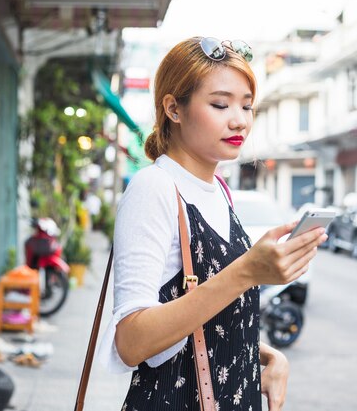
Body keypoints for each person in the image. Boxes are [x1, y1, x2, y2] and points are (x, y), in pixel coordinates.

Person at [98, 37, 327, 411]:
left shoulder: (219, 189)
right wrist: (245, 272)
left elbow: (209, 326)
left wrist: (266, 357)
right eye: (220, 104)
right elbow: (131, 342)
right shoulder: (154, 188)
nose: (239, 119)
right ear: (173, 108)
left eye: (247, 105)